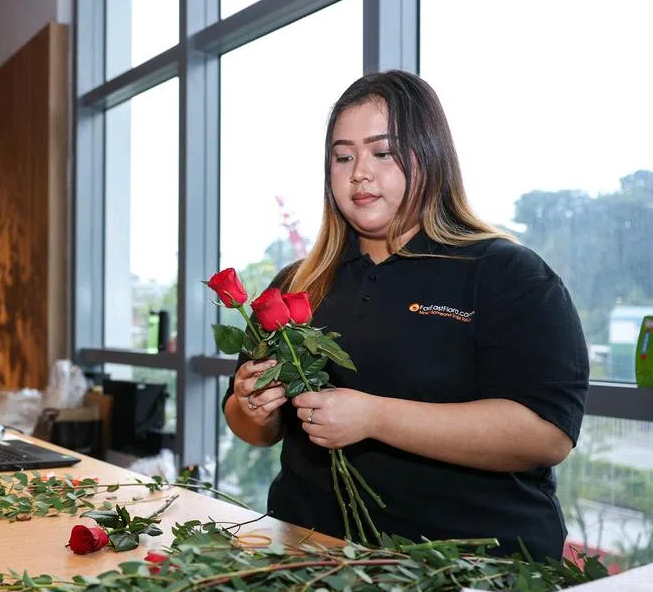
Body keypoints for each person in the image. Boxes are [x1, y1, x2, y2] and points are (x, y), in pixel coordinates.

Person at [222, 70, 589, 561]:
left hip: (468, 567)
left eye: (383, 152)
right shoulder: (297, 283)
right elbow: (249, 426)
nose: (359, 173)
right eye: (343, 156)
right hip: (310, 555)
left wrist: (375, 416)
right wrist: (251, 406)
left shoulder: (505, 273)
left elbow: (545, 434)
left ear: (432, 156)